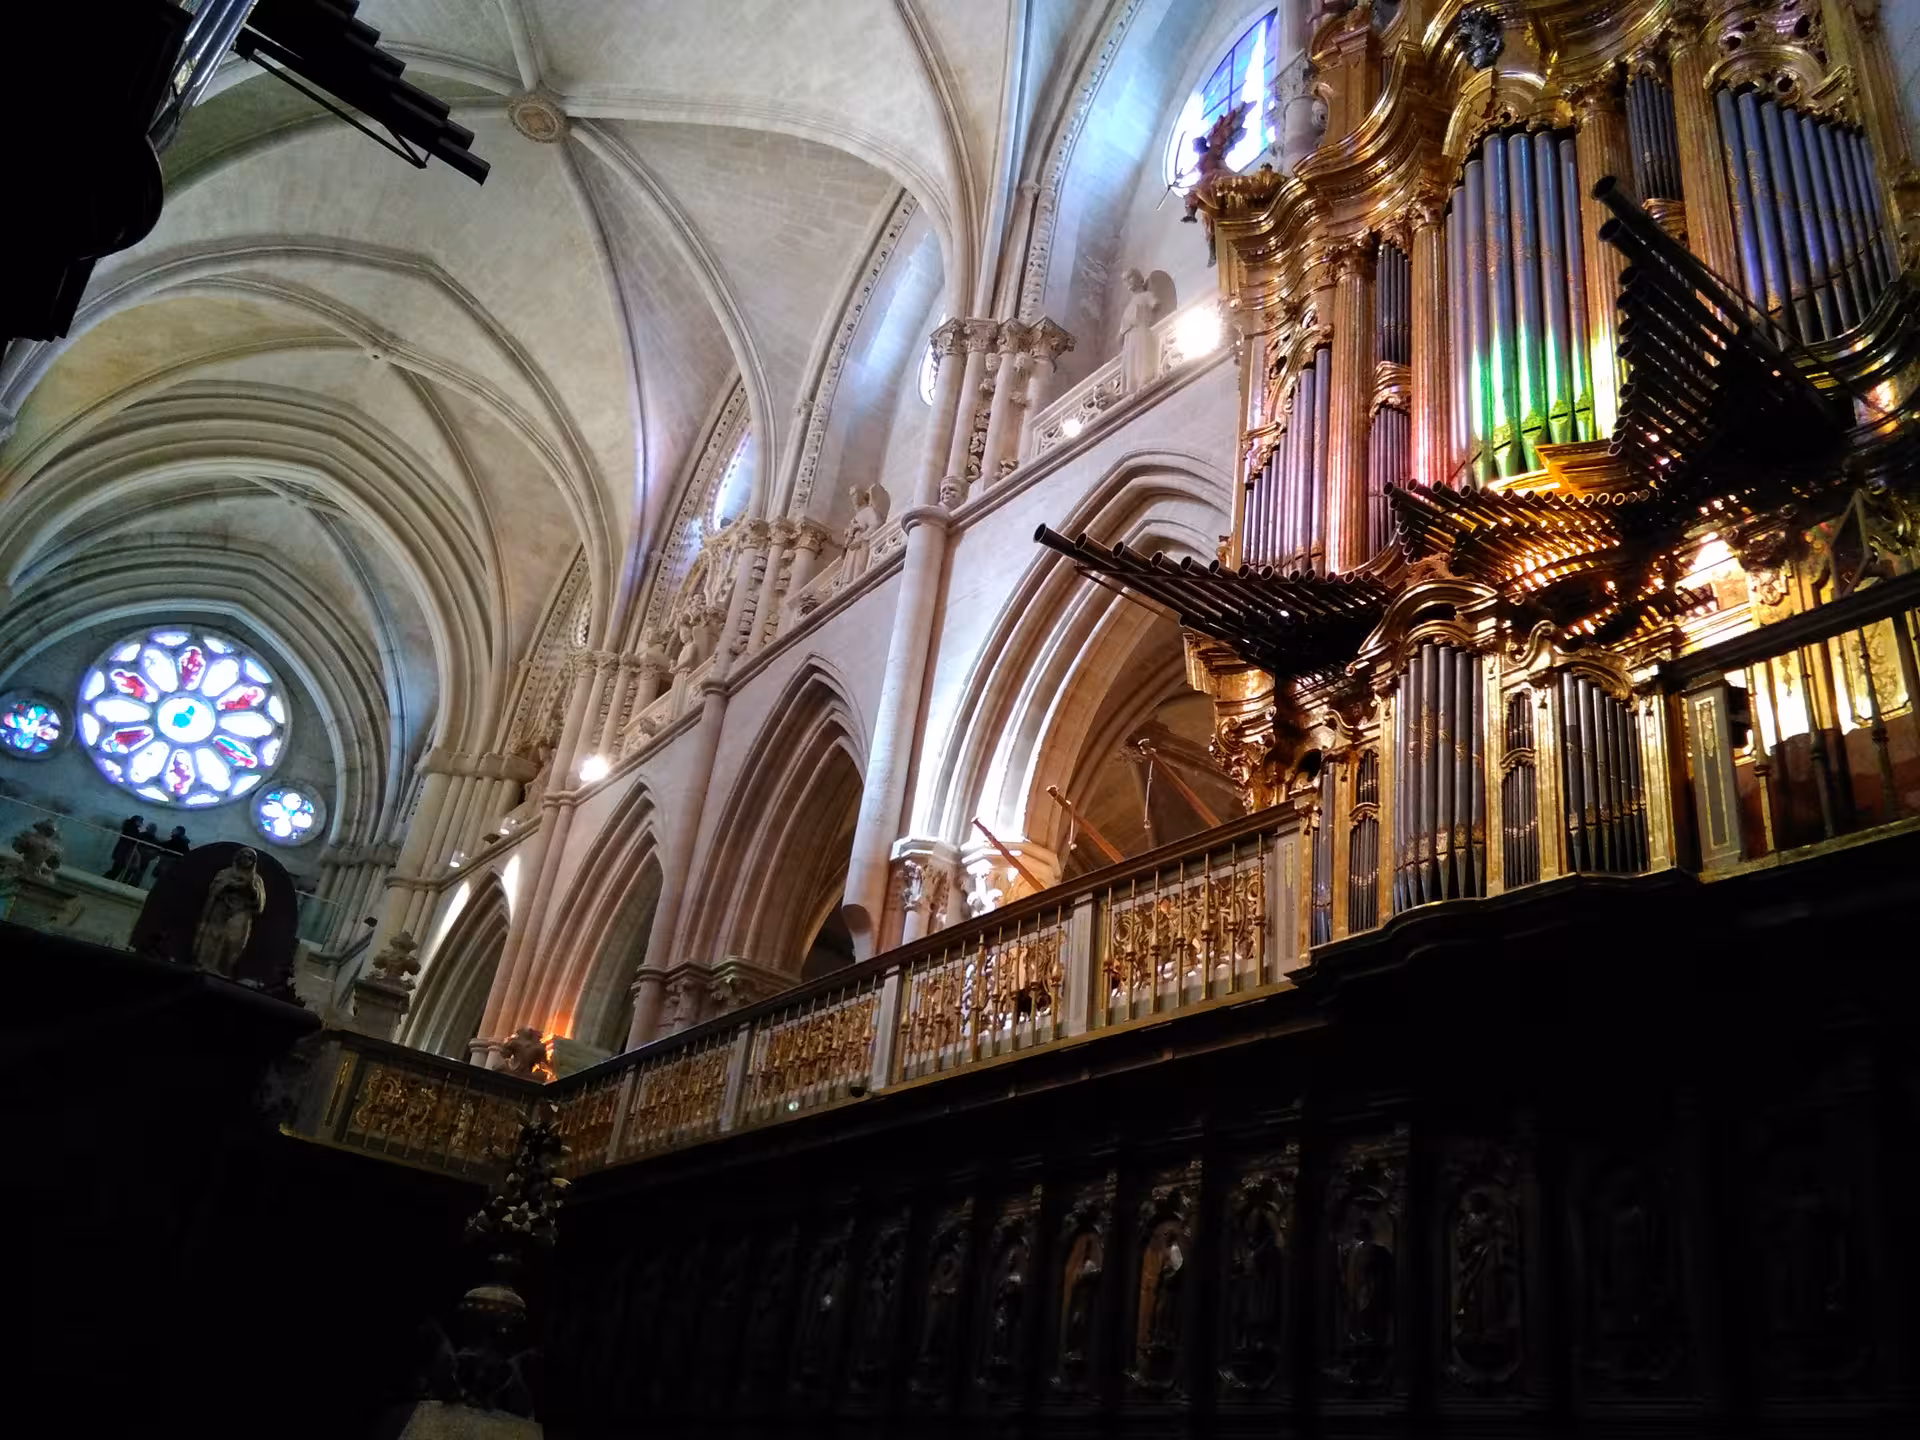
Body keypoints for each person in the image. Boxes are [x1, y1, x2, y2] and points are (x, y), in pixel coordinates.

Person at [105, 814, 144, 882]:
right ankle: (106, 880)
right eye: (140, 822)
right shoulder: (133, 829)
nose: (141, 823)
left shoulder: (127, 827)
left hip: (121, 851)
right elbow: (135, 839)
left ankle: (106, 879)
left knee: (116, 869)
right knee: (117, 870)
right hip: (125, 852)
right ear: (136, 821)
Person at [124, 820, 163, 886]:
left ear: (148, 828)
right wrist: (148, 856)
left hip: (135, 858)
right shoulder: (155, 841)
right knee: (138, 875)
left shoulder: (141, 835)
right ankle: (133, 886)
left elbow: (133, 844)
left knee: (129, 872)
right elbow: (156, 852)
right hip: (144, 860)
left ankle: (124, 882)